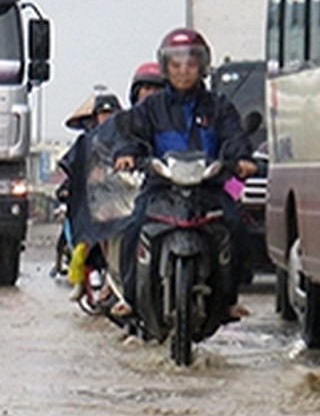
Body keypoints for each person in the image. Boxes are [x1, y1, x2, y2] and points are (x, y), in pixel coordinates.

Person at [113, 29, 257, 318]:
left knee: (237, 226)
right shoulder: (150, 108)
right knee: (133, 227)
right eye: (176, 64)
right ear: (166, 67)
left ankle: (229, 298)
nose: (183, 71)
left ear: (202, 66)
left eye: (191, 64)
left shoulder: (219, 106)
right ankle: (130, 298)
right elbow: (132, 135)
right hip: (160, 188)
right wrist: (126, 154)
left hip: (209, 189)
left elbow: (234, 137)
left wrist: (241, 159)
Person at [58, 92, 123, 300]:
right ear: (96, 116)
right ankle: (79, 281)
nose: (107, 117)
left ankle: (115, 284)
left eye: (110, 112)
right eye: (103, 113)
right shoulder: (85, 141)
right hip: (89, 202)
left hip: (118, 200)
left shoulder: (125, 139)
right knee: (82, 244)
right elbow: (73, 166)